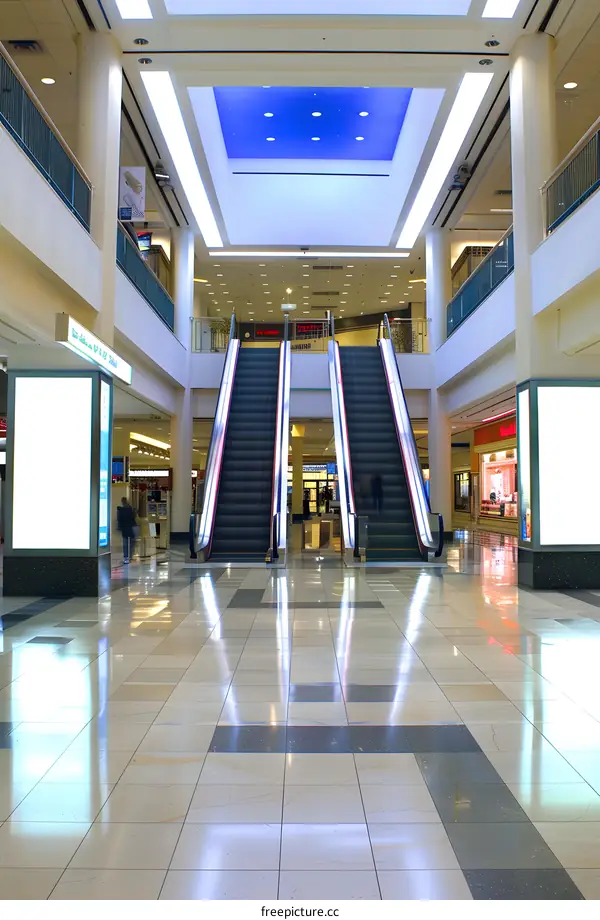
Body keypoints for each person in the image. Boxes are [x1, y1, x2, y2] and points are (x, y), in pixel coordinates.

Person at [117, 497, 136, 564]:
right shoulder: (130, 509)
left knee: (125, 544)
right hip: (130, 528)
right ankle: (130, 556)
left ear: (122, 502)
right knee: (131, 543)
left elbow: (119, 519)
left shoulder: (120, 510)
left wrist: (119, 527)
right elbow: (133, 518)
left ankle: (126, 557)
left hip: (124, 528)